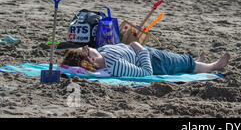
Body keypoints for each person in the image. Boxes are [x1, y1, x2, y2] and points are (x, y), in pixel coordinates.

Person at [61, 42, 231, 78]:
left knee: (181, 60)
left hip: (148, 53)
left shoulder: (102, 52)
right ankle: (213, 66)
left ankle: (196, 63)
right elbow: (146, 73)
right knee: (184, 63)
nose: (85, 46)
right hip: (153, 60)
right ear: (90, 60)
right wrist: (141, 50)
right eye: (83, 50)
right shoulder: (115, 66)